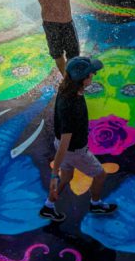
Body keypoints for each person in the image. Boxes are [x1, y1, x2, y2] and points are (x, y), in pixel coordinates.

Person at [41, 57, 118, 222]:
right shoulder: (71, 106)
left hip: (68, 150)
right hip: (75, 151)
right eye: (91, 74)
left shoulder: (66, 89)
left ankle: (48, 205)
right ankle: (95, 203)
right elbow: (64, 142)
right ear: (82, 79)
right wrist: (54, 175)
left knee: (67, 177)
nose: (93, 76)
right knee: (100, 174)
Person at [19, 0, 92, 76]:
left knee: (57, 54)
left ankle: (65, 77)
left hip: (49, 24)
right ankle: (70, 78)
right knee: (72, 54)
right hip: (65, 24)